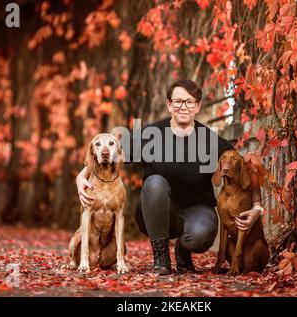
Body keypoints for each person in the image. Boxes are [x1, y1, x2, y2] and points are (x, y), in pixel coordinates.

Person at [76, 79, 263, 275]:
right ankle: (161, 255)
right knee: (155, 182)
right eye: (178, 101)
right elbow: (112, 153)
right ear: (169, 104)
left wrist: (257, 207)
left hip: (195, 213)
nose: (183, 107)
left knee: (204, 232)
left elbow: (245, 168)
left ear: (198, 106)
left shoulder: (210, 140)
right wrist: (82, 176)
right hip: (154, 212)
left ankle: (183, 249)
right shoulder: (151, 134)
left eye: (189, 102)